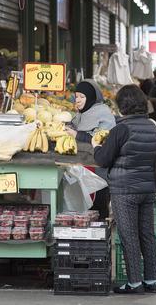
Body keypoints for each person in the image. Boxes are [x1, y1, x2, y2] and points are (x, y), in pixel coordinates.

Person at [92, 85, 156, 295]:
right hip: (147, 188)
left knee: (128, 235)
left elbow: (103, 160)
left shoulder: (121, 129)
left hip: (124, 190)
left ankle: (134, 283)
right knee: (148, 235)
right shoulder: (152, 125)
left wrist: (96, 145)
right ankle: (151, 280)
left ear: (123, 105)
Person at [65, 79, 116, 219]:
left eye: (82, 97)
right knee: (83, 207)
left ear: (91, 98)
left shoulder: (103, 112)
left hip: (98, 168)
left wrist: (78, 135)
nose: (78, 100)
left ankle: (100, 234)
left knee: (98, 206)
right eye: (77, 96)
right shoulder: (82, 113)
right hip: (83, 166)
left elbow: (104, 138)